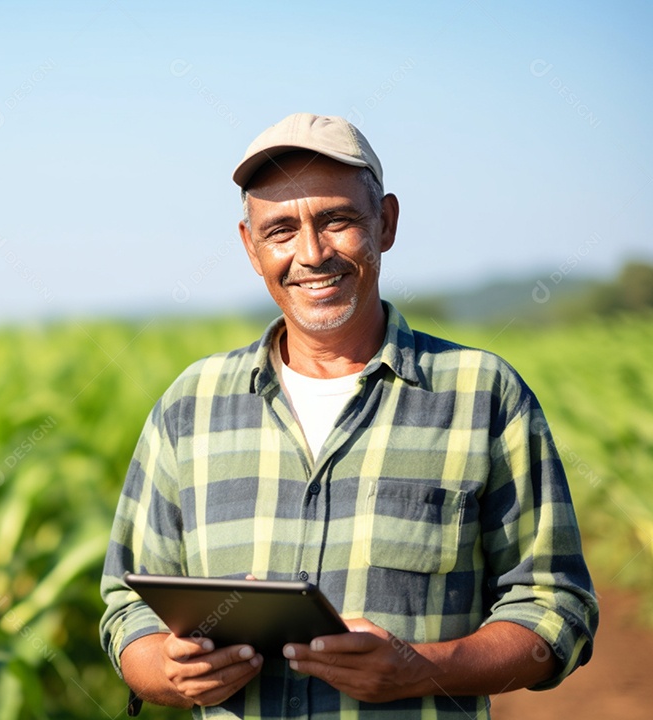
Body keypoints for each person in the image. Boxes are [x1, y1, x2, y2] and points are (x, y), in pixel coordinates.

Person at [98, 113, 598, 718]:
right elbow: (129, 611)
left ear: (385, 223)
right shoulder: (190, 405)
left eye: (336, 220)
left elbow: (556, 608)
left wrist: (422, 670)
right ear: (250, 247)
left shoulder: (482, 396)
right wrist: (166, 671)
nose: (311, 254)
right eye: (280, 230)